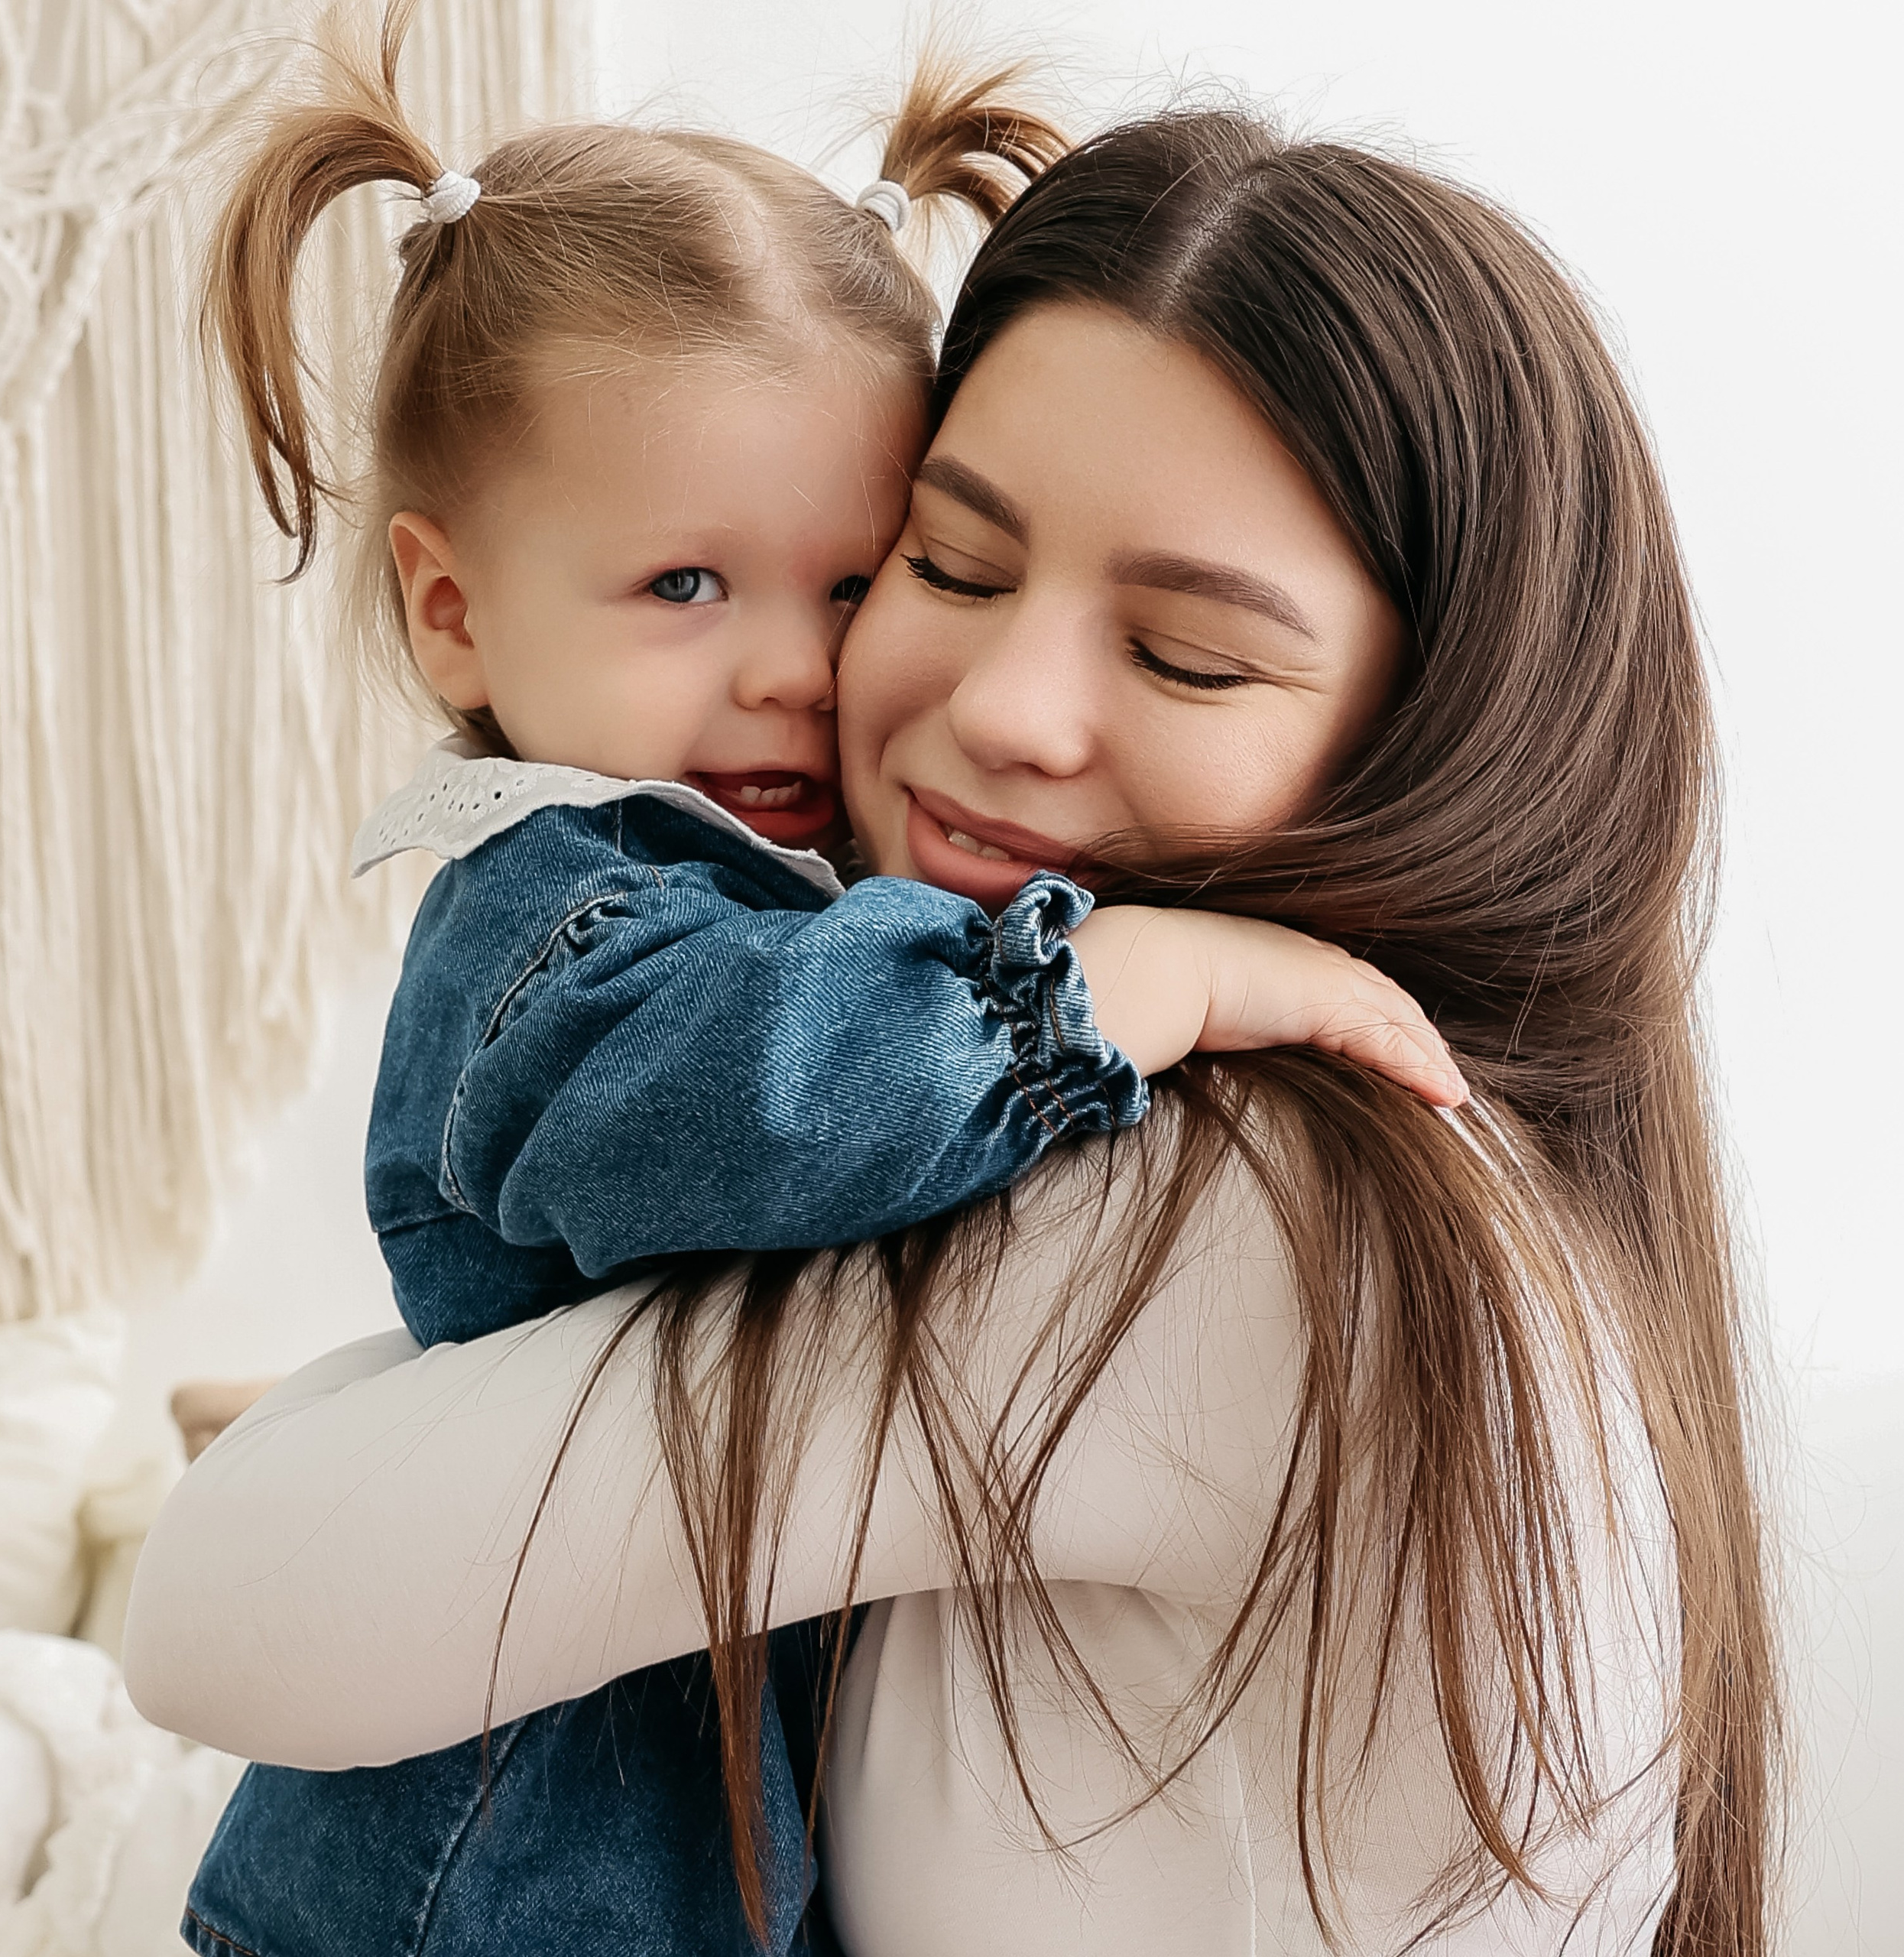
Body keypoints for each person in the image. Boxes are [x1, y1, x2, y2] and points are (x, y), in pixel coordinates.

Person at [127, 101, 1778, 1957]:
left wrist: (1137, 979)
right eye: (954, 566)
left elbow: (212, 1609)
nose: (999, 708)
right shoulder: (1280, 1151)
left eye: (1184, 654)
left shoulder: (1236, 1207)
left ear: (1441, 742)